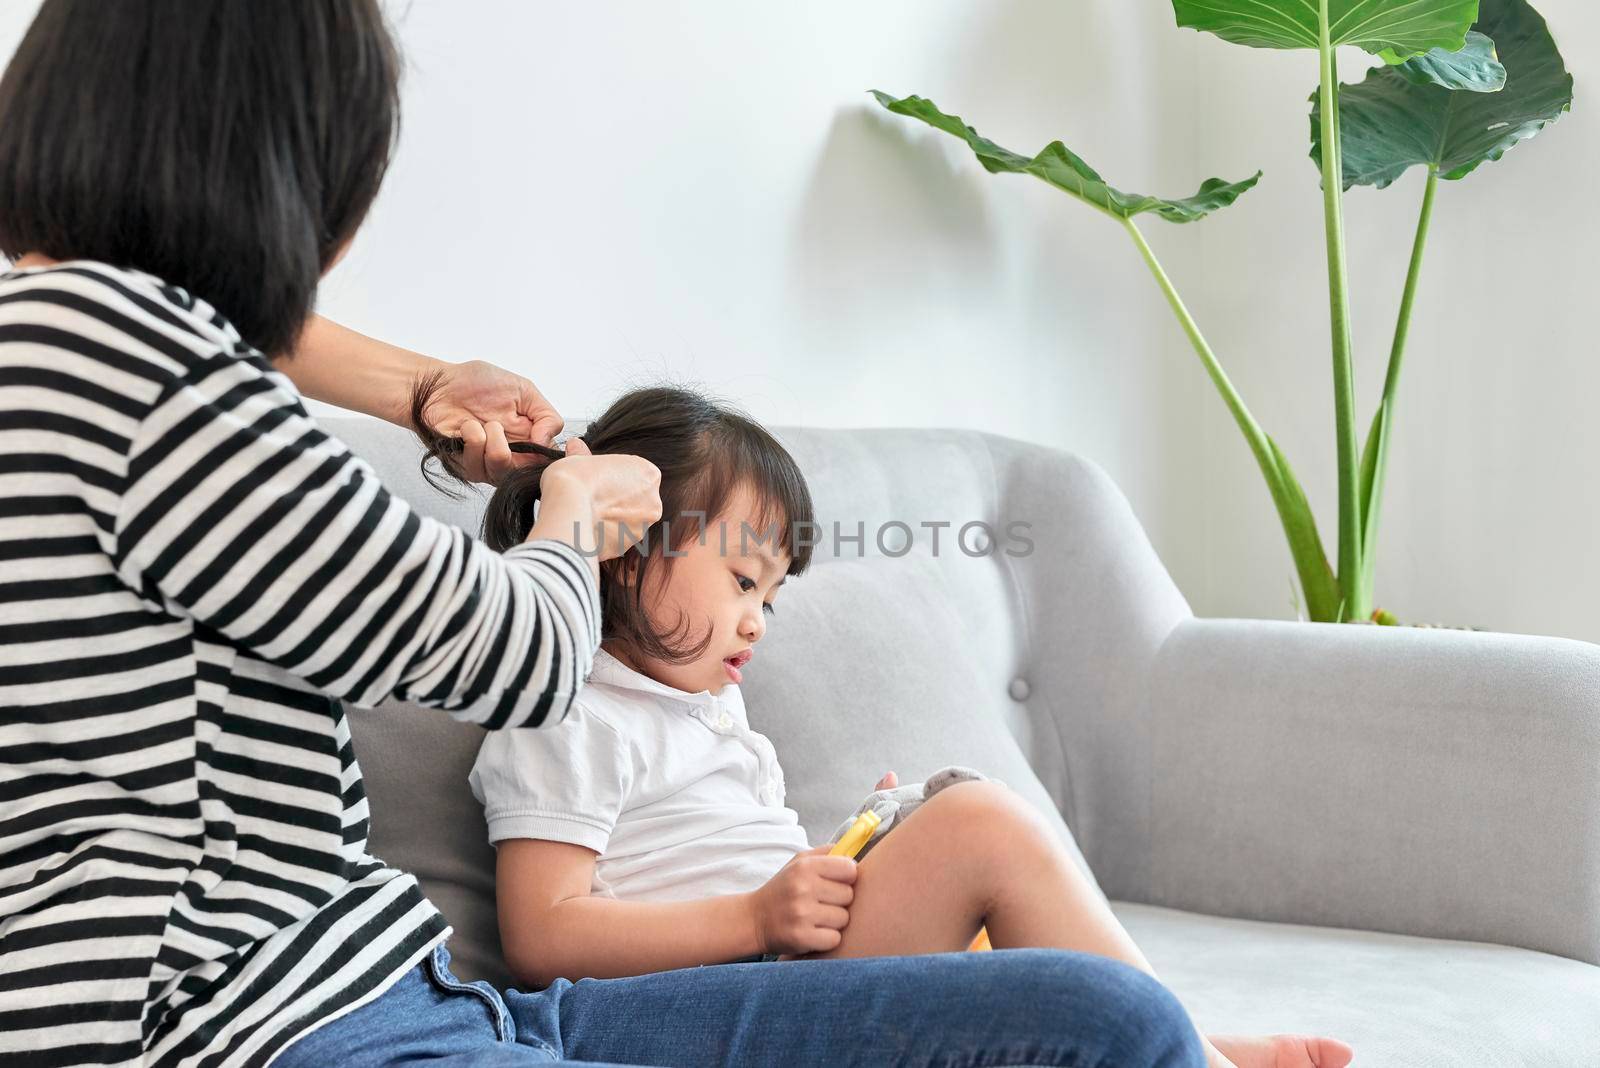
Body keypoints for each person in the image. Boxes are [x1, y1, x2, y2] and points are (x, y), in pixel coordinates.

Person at [0, 3, 1204, 1066]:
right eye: (341, 182)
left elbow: (199, 314)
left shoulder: (79, 350)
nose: (340, 237)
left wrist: (422, 388)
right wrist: (574, 514)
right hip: (262, 1024)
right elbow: (511, 657)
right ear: (271, 168)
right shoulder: (149, 374)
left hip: (400, 1001)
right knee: (1104, 1033)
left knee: (1121, 1022)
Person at [444, 385, 1355, 1068]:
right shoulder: (562, 709)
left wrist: (855, 851)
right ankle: (1191, 1048)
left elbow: (717, 860)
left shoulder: (702, 708)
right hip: (709, 1000)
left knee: (947, 818)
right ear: (624, 548)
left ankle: (1181, 1041)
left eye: (770, 594)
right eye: (741, 581)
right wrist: (756, 912)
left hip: (773, 967)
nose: (759, 620)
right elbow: (542, 937)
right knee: (979, 827)